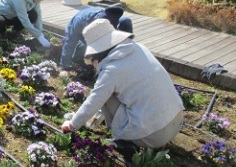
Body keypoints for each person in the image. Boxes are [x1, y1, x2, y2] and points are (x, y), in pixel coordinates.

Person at [61, 18, 184, 153]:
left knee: (105, 93)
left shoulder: (112, 69)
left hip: (152, 136)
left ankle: (125, 140)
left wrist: (72, 124)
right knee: (113, 89)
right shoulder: (139, 48)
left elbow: (95, 99)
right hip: (176, 121)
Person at [60, 6, 133, 75]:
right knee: (80, 51)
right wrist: (65, 68)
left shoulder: (110, 20)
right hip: (78, 32)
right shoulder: (80, 21)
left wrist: (97, 58)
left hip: (95, 31)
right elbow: (70, 43)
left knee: (126, 21)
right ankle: (78, 53)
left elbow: (105, 42)